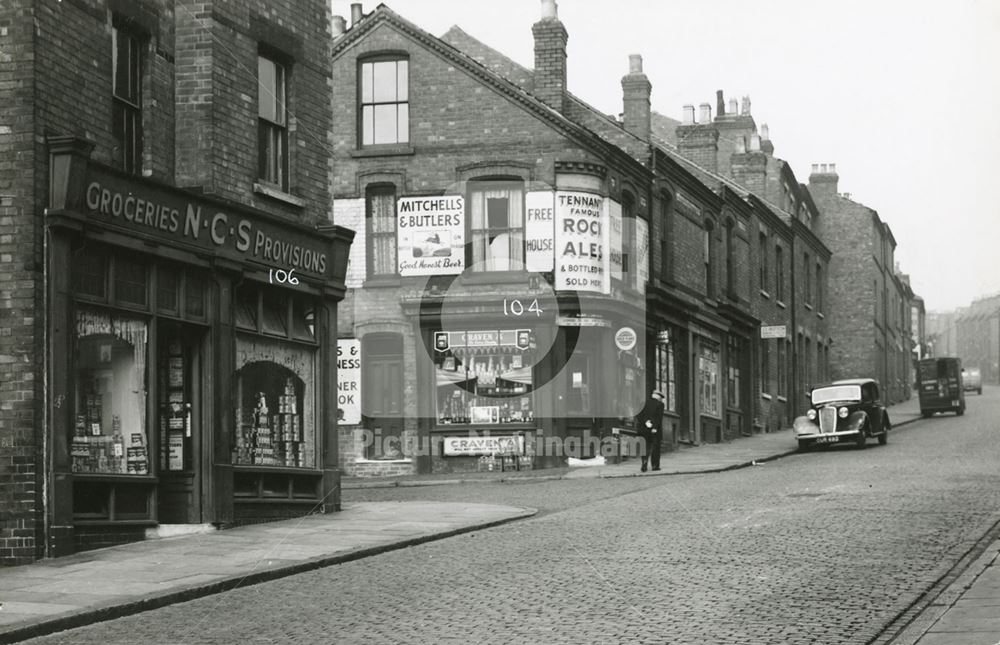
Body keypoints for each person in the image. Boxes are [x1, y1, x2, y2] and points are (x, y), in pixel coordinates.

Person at [635, 390, 665, 472]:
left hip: (643, 429)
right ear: (658, 397)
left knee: (645, 446)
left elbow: (638, 415)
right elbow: (658, 418)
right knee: (655, 447)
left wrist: (645, 422)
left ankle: (644, 463)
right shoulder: (660, 404)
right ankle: (655, 465)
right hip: (654, 430)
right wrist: (654, 427)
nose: (661, 399)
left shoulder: (643, 403)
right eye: (661, 398)